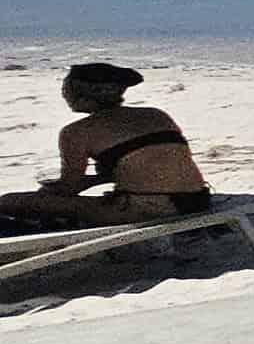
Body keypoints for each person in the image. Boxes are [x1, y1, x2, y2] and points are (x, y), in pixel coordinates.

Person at [4, 62, 213, 226]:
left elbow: (69, 186)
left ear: (81, 94)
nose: (64, 94)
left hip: (150, 207)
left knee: (12, 201)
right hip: (197, 200)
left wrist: (55, 189)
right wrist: (93, 181)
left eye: (66, 89)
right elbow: (150, 164)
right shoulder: (156, 114)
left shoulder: (76, 132)